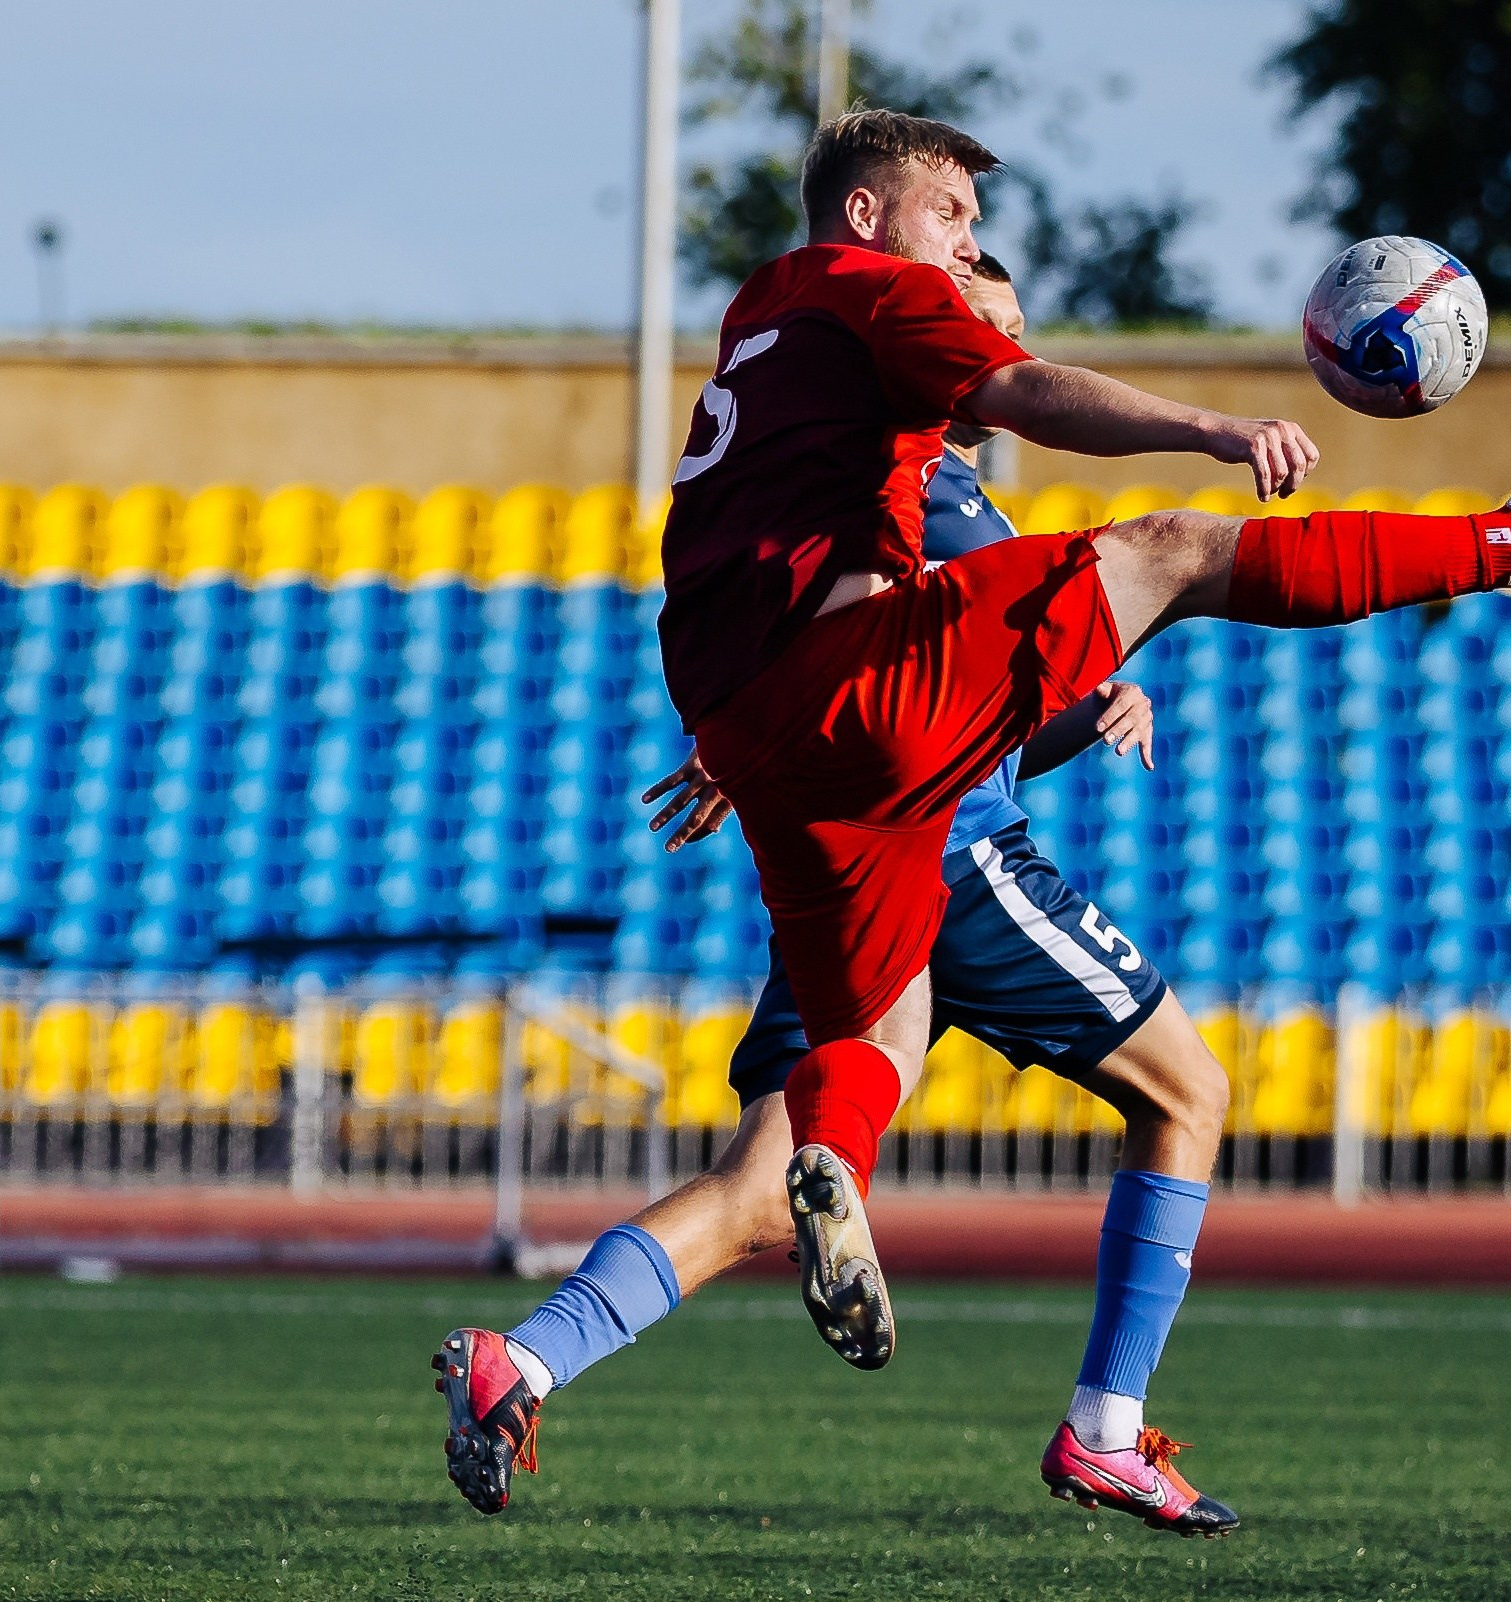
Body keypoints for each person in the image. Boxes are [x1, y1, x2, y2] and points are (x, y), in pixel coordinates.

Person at [442, 106, 1511, 1532]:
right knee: (1171, 565)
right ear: (872, 220)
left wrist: (777, 739)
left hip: (799, 756)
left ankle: (551, 1337)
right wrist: (1210, 431)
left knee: (810, 1123)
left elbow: (791, 561)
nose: (973, 265)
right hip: (934, 810)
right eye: (956, 231)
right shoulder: (891, 335)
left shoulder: (768, 331)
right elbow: (1026, 399)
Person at [437, 258, 1243, 1535]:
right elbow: (964, 693)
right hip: (956, 866)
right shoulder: (934, 491)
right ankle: (1106, 1431)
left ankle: (521, 1363)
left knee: (765, 1188)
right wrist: (1095, 682)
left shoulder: (826, 476)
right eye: (992, 324)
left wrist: (1071, 719)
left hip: (840, 881)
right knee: (1189, 1093)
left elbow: (908, 697)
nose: (1008, 348)